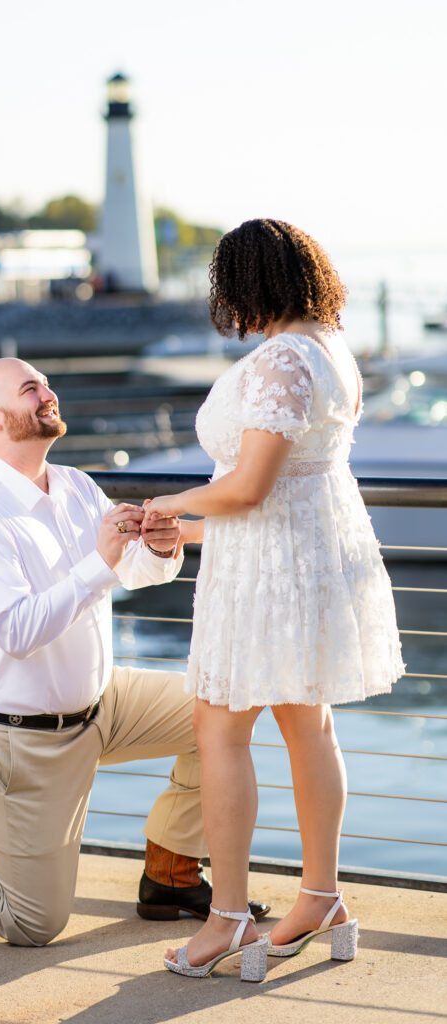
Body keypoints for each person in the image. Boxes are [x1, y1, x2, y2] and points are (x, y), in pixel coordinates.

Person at [0, 356, 269, 946]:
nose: (48, 393)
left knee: (224, 705)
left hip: (104, 701)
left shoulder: (75, 485)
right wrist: (100, 561)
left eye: (45, 382)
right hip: (23, 735)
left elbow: (128, 572)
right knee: (33, 924)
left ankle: (171, 874)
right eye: (29, 388)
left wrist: (162, 550)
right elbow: (17, 632)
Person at [143, 219, 404, 981]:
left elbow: (250, 487)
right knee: (307, 727)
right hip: (302, 558)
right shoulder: (332, 349)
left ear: (247, 283)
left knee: (220, 732)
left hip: (268, 574)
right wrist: (186, 531)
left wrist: (163, 505)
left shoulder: (284, 357)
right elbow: (282, 491)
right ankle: (319, 898)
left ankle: (226, 918)